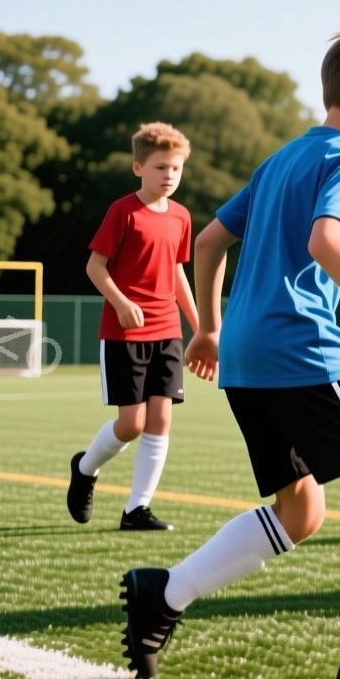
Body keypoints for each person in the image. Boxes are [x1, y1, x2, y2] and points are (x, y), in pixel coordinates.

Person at [121, 28, 340, 679]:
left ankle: (164, 594)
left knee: (300, 510)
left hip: (248, 357)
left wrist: (212, 329)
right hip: (300, 347)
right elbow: (327, 241)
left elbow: (211, 240)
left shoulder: (281, 159)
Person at [68, 123, 198, 532]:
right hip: (125, 333)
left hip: (168, 331)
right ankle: (85, 468)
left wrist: (203, 325)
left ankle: (136, 510)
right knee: (132, 423)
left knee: (161, 418)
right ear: (138, 167)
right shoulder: (122, 211)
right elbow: (95, 266)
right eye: (160, 167)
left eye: (176, 168)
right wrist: (121, 302)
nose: (169, 176)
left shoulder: (181, 216)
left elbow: (177, 271)